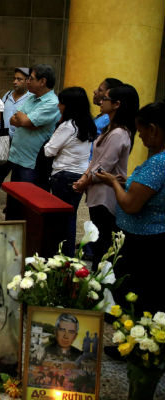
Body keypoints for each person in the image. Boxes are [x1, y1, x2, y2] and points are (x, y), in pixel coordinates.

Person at [95, 102, 165, 313]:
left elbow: (130, 204)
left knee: (135, 294)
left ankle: (130, 337)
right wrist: (126, 182)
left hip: (143, 240)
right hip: (152, 235)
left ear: (153, 128)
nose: (140, 138)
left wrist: (114, 183)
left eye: (142, 132)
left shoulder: (158, 163)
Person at [73, 84, 139, 268]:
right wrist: (84, 177)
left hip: (106, 194)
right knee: (100, 240)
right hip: (97, 189)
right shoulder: (111, 128)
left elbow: (104, 166)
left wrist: (84, 181)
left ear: (117, 104)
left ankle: (100, 284)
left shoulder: (119, 133)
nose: (101, 101)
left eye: (106, 99)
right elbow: (95, 160)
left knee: (103, 244)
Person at [43, 87, 97, 256]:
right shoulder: (88, 124)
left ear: (69, 105)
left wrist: (51, 145)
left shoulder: (68, 126)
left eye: (62, 103)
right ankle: (67, 256)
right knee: (70, 217)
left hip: (63, 174)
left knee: (61, 218)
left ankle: (61, 255)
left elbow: (48, 151)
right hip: (79, 174)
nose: (59, 106)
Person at [6, 64, 61, 185]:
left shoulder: (52, 103)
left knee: (27, 199)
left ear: (42, 81)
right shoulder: (31, 98)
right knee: (14, 197)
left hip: (33, 162)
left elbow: (24, 121)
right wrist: (28, 122)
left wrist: (27, 121)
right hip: (18, 156)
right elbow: (13, 119)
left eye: (31, 78)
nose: (28, 82)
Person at [2, 67, 33, 138]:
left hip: (20, 141)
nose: (15, 82)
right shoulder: (7, 95)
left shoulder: (31, 98)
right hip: (3, 140)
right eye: (14, 78)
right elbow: (0, 115)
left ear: (27, 81)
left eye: (19, 79)